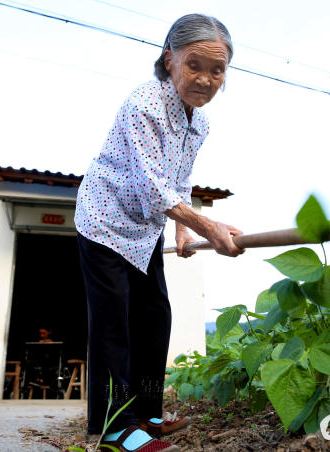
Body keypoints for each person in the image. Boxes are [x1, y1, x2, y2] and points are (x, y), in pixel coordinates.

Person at [75, 13, 243, 452]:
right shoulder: (144, 105)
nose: (206, 79)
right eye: (195, 65)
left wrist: (184, 232)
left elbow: (178, 180)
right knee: (114, 323)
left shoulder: (199, 123)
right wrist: (208, 224)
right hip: (104, 219)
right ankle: (114, 428)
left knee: (155, 319)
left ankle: (146, 414)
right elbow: (151, 186)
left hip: (145, 229)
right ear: (169, 60)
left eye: (217, 70)